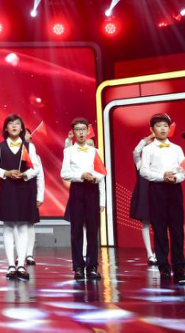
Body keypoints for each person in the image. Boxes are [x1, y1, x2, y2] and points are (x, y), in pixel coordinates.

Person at [138, 113, 185, 280]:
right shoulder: (148, 149)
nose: (163, 129)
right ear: (152, 129)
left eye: (165, 126)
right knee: (159, 229)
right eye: (159, 126)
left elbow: (184, 170)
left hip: (174, 188)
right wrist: (162, 177)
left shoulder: (177, 148)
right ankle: (163, 266)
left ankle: (179, 266)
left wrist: (176, 178)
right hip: (157, 189)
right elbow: (144, 171)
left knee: (177, 229)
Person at [0, 114, 39, 280]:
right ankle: (11, 265)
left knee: (23, 227)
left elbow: (35, 168)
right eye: (10, 124)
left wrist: (25, 175)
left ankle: (21, 265)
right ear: (6, 128)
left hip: (23, 189)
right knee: (8, 227)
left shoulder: (29, 147)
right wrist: (6, 173)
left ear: (21, 127)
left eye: (17, 123)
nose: (14, 126)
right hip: (7, 189)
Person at [61, 118, 104, 280]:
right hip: (77, 190)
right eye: (77, 129)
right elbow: (64, 173)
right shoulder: (69, 151)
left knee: (93, 230)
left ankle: (92, 267)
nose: (81, 132)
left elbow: (102, 173)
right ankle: (78, 267)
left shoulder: (95, 151)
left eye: (83, 129)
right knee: (76, 230)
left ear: (87, 131)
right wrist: (81, 176)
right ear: (73, 132)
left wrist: (94, 177)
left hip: (92, 189)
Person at [130, 130, 157, 266]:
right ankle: (150, 254)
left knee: (159, 224)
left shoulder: (158, 162)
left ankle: (158, 253)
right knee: (146, 223)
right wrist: (147, 139)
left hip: (157, 194)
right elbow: (136, 152)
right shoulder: (140, 162)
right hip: (144, 194)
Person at [25, 126, 44, 266]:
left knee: (30, 224)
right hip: (16, 192)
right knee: (17, 224)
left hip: (31, 191)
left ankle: (29, 254)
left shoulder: (36, 157)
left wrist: (40, 196)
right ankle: (20, 254)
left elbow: (40, 177)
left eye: (27, 135)